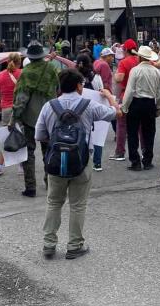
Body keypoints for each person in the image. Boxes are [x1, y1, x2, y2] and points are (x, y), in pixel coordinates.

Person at [35, 68, 118, 260]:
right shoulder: (88, 106)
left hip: (56, 163)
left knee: (53, 202)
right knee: (78, 205)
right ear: (79, 86)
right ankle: (74, 245)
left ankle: (49, 244)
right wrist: (110, 97)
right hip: (82, 161)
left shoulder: (50, 106)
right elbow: (115, 114)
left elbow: (39, 135)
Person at [10, 41, 59, 197]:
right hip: (50, 115)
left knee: (29, 152)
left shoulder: (27, 72)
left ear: (29, 57)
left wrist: (15, 118)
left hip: (30, 117)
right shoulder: (52, 69)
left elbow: (21, 98)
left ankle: (30, 187)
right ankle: (50, 182)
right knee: (49, 151)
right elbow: (57, 89)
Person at [121, 46, 160, 171]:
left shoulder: (135, 70)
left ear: (139, 57)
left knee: (133, 133)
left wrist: (124, 107)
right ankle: (147, 160)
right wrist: (158, 107)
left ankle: (135, 161)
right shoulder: (156, 71)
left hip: (136, 103)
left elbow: (130, 91)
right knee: (149, 133)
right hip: (150, 103)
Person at [0, 52, 23, 176]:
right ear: (19, 62)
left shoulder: (0, 75)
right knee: (20, 137)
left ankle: (0, 166)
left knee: (5, 137)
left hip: (5, 109)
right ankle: (21, 166)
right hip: (20, 109)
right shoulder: (22, 74)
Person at [75, 54, 105, 172]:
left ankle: (80, 159)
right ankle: (97, 163)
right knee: (97, 134)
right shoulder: (95, 76)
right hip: (93, 106)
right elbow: (100, 90)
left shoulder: (74, 76)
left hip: (78, 108)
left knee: (80, 134)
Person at [111, 39, 139, 162]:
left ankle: (120, 152)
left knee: (121, 125)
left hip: (125, 95)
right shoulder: (141, 61)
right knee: (140, 126)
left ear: (125, 50)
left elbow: (119, 78)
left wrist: (115, 75)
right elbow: (157, 65)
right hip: (140, 96)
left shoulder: (124, 62)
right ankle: (143, 151)